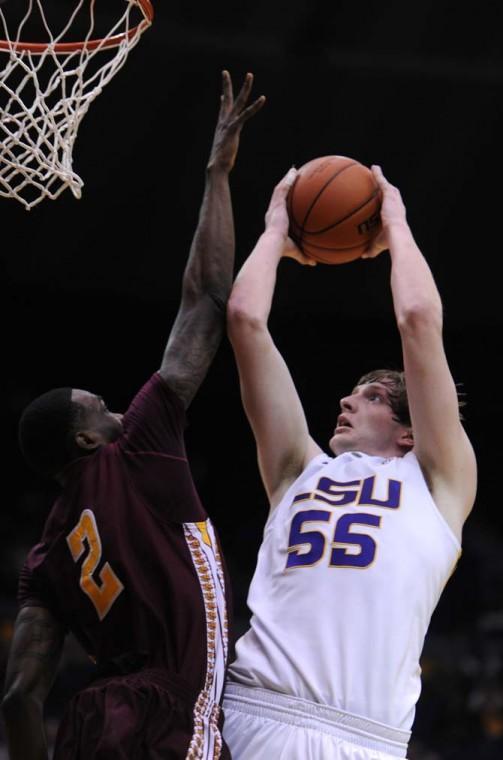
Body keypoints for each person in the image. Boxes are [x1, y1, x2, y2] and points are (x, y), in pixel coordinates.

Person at [1, 71, 264, 760]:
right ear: (86, 439)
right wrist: (217, 172)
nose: (120, 409)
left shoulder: (46, 556)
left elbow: (20, 697)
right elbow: (206, 298)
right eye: (102, 407)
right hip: (163, 719)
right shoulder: (134, 448)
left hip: (90, 726)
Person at [222, 165, 477, 759]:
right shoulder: (296, 471)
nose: (346, 400)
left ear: (411, 433)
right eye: (352, 392)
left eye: (374, 397)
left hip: (367, 738)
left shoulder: (439, 482)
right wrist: (274, 233)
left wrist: (396, 224)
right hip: (257, 710)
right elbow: (244, 320)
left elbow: (419, 323)